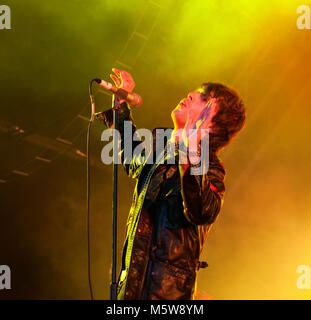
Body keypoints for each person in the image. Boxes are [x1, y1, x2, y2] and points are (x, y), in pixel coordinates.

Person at [98, 68, 246, 300]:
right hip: (131, 292)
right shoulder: (163, 154)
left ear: (212, 120)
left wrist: (192, 149)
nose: (191, 95)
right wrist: (119, 107)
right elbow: (134, 158)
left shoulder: (210, 169)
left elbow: (203, 210)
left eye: (204, 98)